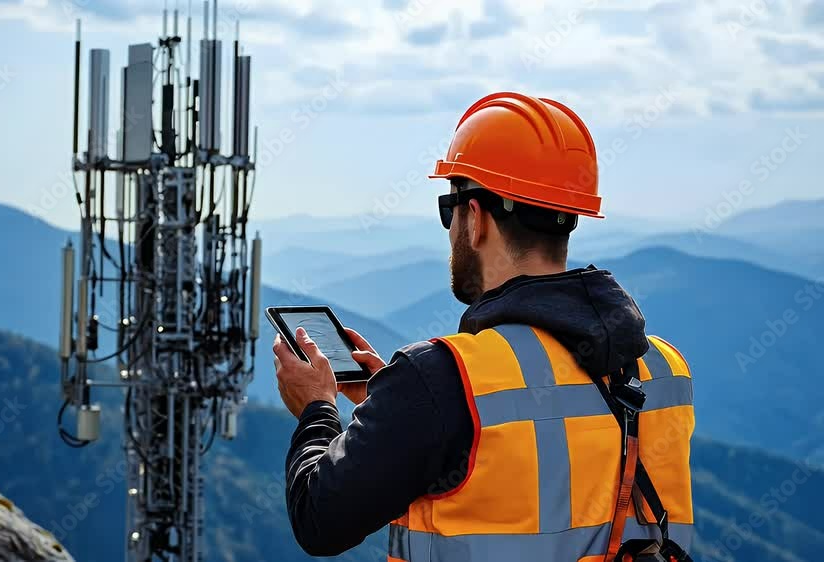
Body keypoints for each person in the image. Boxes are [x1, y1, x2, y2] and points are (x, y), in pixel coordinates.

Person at [273, 92, 695, 562]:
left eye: (448, 208)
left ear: (474, 219)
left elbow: (319, 520)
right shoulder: (664, 368)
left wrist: (316, 407)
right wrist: (398, 410)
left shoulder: (442, 379)